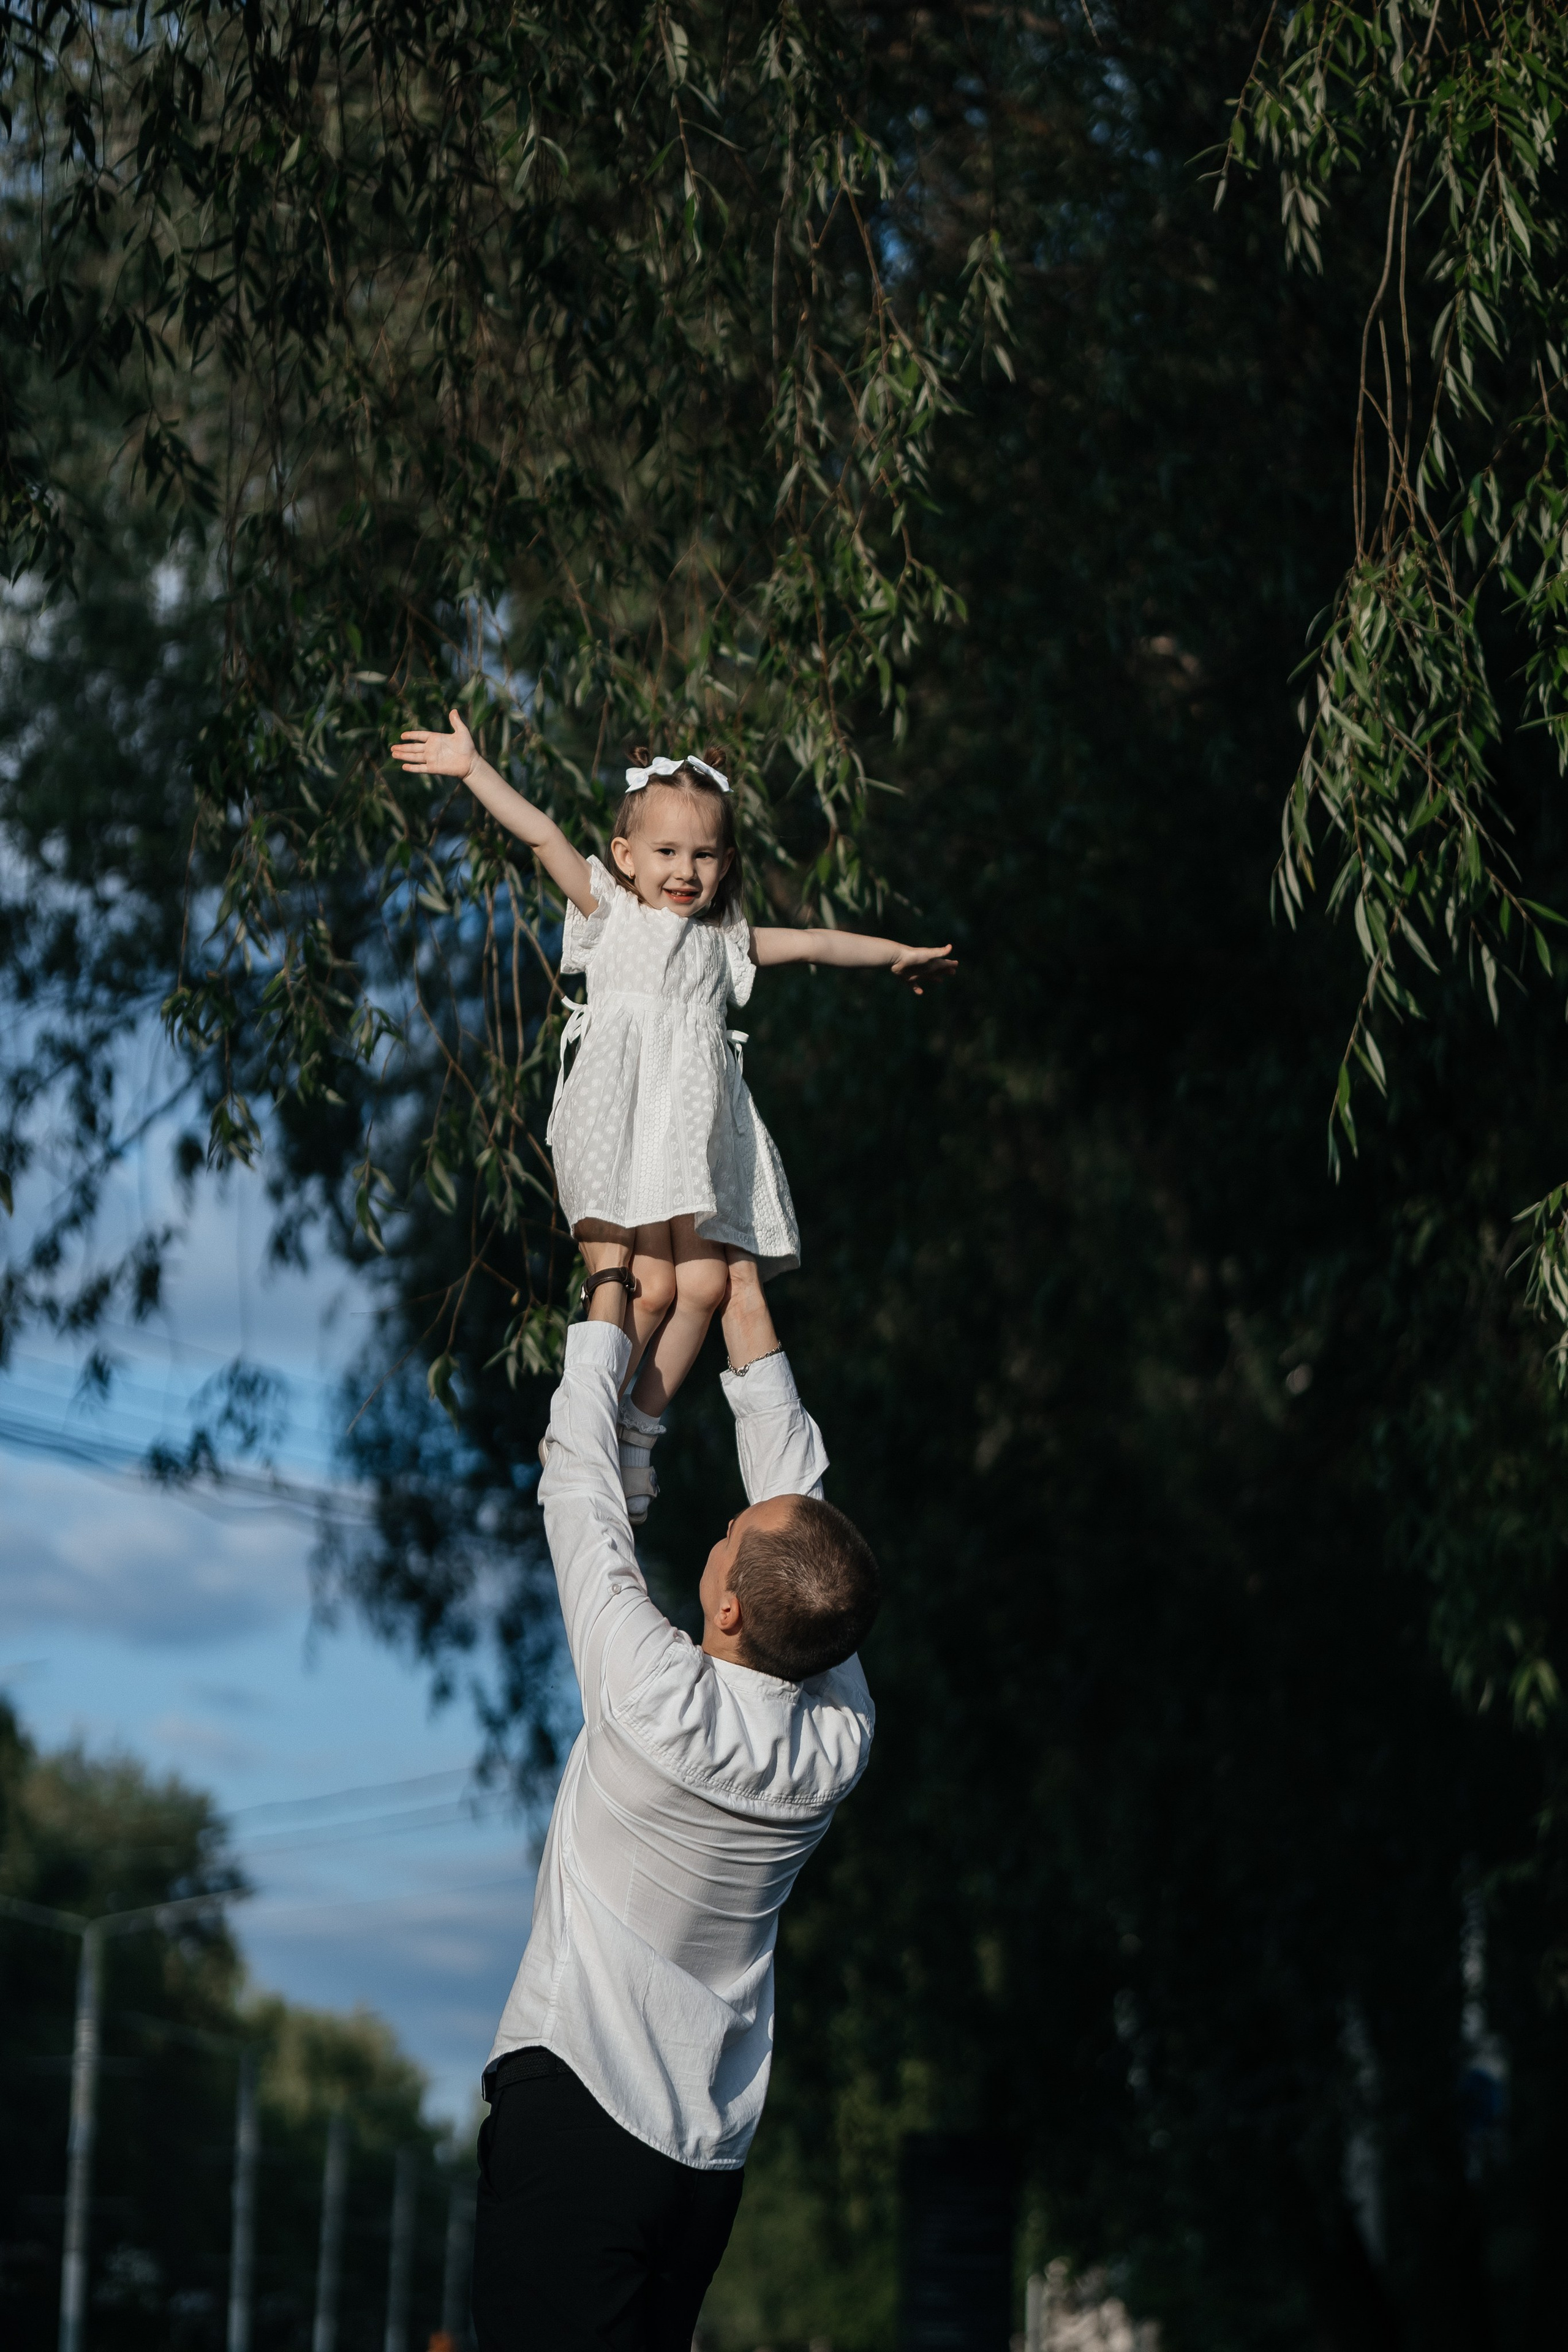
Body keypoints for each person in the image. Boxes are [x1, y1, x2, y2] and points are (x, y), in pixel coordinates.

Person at [390, 714, 954, 1519]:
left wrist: (894, 951)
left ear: (725, 866)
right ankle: (585, 1429)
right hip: (619, 1123)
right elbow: (544, 835)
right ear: (626, 858)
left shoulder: (725, 942)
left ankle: (636, 1432)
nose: (684, 870)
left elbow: (818, 942)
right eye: (665, 853)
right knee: (644, 1288)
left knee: (699, 1285)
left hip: (687, 1142)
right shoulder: (610, 914)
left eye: (703, 855)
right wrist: (473, 768)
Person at [470, 1251, 879, 2351]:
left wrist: (613, 1287)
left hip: (581, 2119)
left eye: (732, 1542)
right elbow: (804, 1534)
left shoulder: (670, 1699)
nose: (723, 1531)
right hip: (701, 2165)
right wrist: (738, 1307)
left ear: (736, 1611)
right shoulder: (831, 1736)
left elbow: (577, 1484)